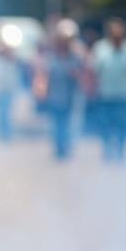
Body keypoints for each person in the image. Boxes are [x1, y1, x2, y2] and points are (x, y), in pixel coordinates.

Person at [90, 17, 126, 162]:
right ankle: (107, 151)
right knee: (105, 125)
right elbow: (94, 72)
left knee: (123, 126)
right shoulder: (100, 48)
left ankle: (121, 152)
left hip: (125, 95)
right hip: (105, 95)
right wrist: (92, 91)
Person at [35, 18, 85, 160]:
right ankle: (58, 147)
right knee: (56, 123)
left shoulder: (77, 55)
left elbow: (85, 72)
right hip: (55, 95)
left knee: (70, 123)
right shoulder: (51, 55)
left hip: (72, 96)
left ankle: (67, 147)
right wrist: (41, 91)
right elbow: (43, 73)